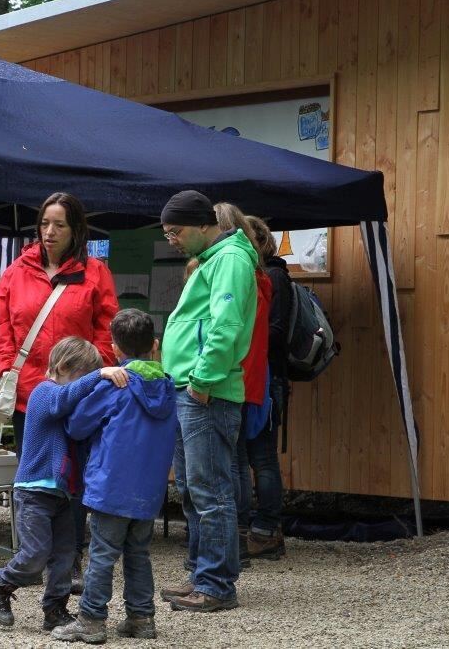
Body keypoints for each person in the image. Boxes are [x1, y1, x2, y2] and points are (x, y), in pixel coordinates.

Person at [0, 191, 119, 589]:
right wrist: (8, 366)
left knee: (73, 474)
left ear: (75, 229)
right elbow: (1, 327)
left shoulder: (95, 273)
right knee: (32, 475)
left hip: (78, 395)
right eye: (45, 223)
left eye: (59, 224)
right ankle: (31, 552)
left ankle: (68, 557)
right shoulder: (15, 271)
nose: (49, 232)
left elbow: (106, 329)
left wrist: (88, 376)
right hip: (30, 393)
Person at [51, 309, 178, 644]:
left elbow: (77, 425)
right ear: (155, 345)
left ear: (115, 350)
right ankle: (141, 618)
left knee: (103, 555)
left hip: (111, 486)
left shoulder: (115, 387)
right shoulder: (168, 389)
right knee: (139, 553)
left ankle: (91, 620)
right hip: (149, 491)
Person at [158, 190, 257, 612]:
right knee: (194, 488)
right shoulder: (216, 259)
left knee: (211, 489)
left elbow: (226, 325)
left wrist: (202, 380)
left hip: (206, 392)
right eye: (166, 233)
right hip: (192, 389)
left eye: (176, 231)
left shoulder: (230, 260)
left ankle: (216, 585)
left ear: (203, 224)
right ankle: (202, 574)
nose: (172, 240)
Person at [0, 337, 121, 633]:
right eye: (84, 376)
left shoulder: (67, 399)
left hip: (61, 494)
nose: (87, 385)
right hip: (33, 490)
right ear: (63, 367)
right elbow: (64, 399)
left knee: (65, 556)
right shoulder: (44, 392)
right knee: (35, 554)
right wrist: (100, 375)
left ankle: (55, 610)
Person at [213, 202, 272, 571]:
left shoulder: (239, 271)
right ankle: (241, 535)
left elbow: (232, 330)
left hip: (236, 375)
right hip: (248, 374)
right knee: (242, 460)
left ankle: (235, 538)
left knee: (234, 461)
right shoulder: (257, 273)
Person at [243, 215, 292, 560]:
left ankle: (265, 531)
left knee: (261, 456)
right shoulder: (260, 275)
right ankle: (256, 529)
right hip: (255, 376)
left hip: (268, 378)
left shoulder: (274, 276)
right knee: (250, 456)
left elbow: (276, 331)